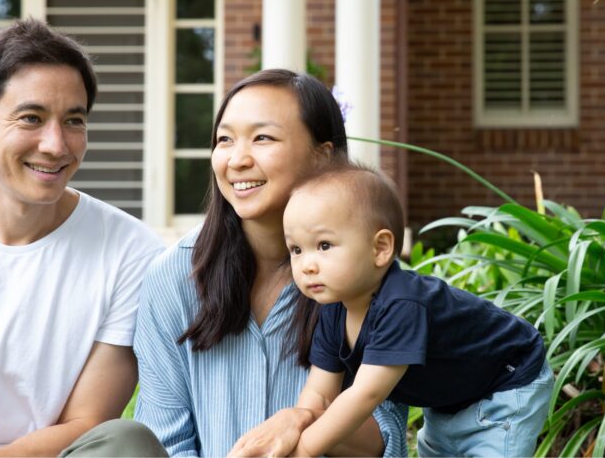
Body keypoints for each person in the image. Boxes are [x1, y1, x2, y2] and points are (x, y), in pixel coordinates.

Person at [113, 69, 406, 457]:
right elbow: (166, 442)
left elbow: (385, 436)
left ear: (323, 155)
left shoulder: (369, 277)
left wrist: (300, 419)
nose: (237, 159)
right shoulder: (174, 277)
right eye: (224, 140)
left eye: (262, 138)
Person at [0, 19, 164, 456]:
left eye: (74, 121)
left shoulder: (131, 251)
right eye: (31, 118)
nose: (56, 145)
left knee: (127, 443)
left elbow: (90, 421)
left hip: (36, 455)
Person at [281, 161, 554, 458]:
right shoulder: (334, 310)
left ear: (380, 248)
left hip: (505, 386)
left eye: (323, 245)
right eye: (296, 249)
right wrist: (298, 429)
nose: (307, 265)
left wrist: (305, 450)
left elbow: (365, 395)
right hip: (450, 400)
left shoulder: (401, 306)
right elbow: (319, 395)